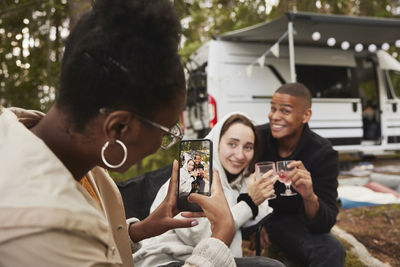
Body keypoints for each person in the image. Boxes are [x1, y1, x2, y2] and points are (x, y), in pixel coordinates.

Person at [0, 0, 237, 266]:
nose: (166, 141)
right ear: (118, 127)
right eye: (167, 130)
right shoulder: (48, 228)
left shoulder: (59, 154)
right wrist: (219, 238)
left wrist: (139, 230)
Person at [133, 112, 284, 267]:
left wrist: (256, 217)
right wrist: (249, 204)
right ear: (216, 142)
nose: (240, 155)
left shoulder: (238, 181)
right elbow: (202, 238)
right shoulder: (197, 177)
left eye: (248, 147)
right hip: (167, 260)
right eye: (232, 144)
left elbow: (253, 207)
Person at [256, 83, 346, 266]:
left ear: (306, 115)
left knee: (332, 250)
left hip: (291, 223)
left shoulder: (322, 153)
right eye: (273, 108)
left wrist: (309, 195)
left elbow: (325, 222)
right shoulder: (257, 138)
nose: (275, 116)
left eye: (285, 111)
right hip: (250, 215)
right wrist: (254, 225)